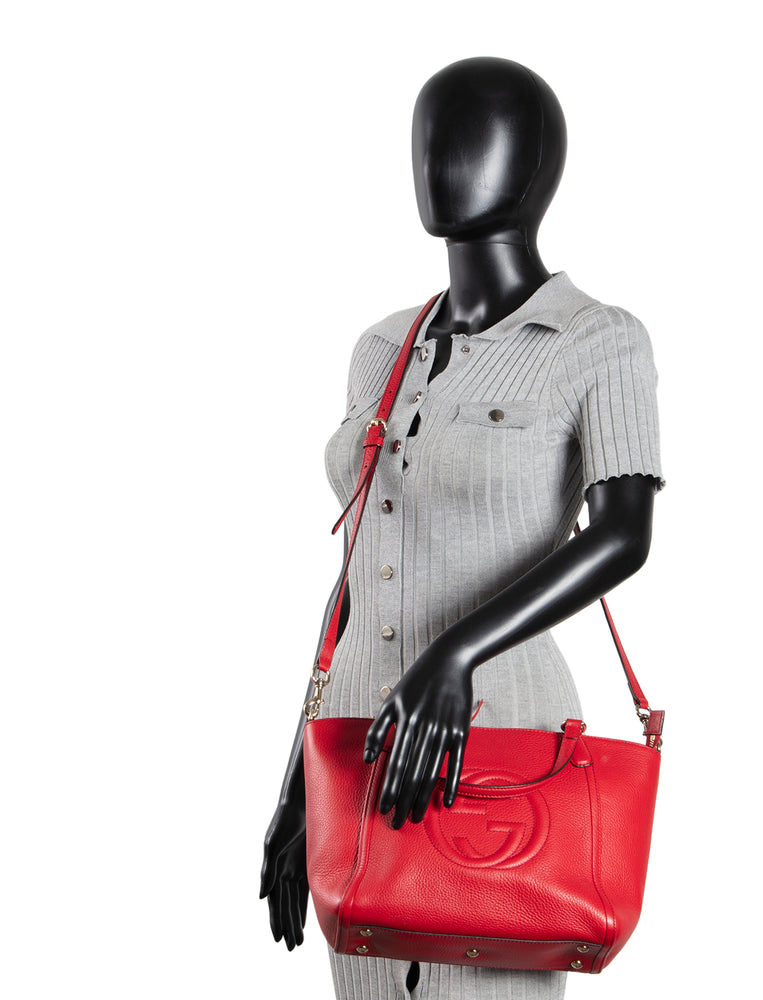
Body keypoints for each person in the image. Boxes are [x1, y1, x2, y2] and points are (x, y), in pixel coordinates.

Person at [260, 55, 666, 1000]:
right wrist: (297, 780)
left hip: (497, 736)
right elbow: (358, 571)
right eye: (426, 140)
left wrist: (457, 653)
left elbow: (623, 535)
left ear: (535, 165)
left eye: (469, 140)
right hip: (360, 740)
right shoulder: (381, 349)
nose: (438, 162)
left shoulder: (599, 342)